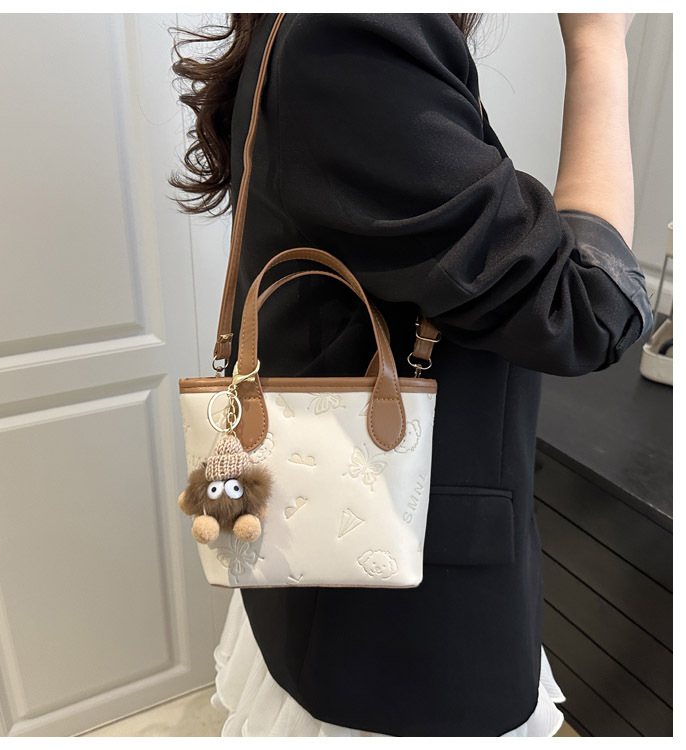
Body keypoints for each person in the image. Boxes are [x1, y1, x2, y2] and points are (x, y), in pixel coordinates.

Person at [170, 13, 653, 737]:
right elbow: (590, 309)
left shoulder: (310, 30)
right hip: (396, 621)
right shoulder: (356, 35)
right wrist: (600, 44)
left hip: (347, 566)